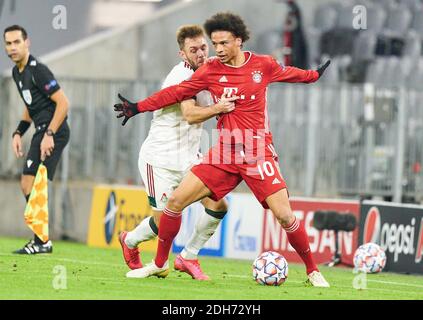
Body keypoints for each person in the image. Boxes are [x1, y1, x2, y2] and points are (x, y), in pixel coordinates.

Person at [114, 12, 331, 287]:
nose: (217, 50)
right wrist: (138, 107)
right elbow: (177, 93)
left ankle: (313, 271)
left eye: (222, 44)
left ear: (238, 41)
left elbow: (291, 74)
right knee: (175, 203)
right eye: (214, 44)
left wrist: (313, 75)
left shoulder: (263, 65)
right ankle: (159, 264)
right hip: (224, 152)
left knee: (285, 215)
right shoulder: (211, 70)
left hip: (256, 151)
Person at [119, 25, 236, 280]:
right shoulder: (181, 77)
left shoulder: (211, 69)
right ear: (182, 54)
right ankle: (129, 241)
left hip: (189, 159)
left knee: (218, 204)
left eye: (203, 47)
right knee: (165, 224)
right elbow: (191, 115)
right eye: (193, 50)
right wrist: (220, 108)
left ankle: (188, 256)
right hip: (160, 160)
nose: (201, 54)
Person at [4, 25, 70, 254]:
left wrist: (49, 135)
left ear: (27, 43)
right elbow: (30, 106)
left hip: (54, 131)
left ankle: (42, 241)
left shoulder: (38, 70)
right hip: (41, 131)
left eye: (16, 42)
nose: (12, 48)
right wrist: (18, 132)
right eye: (8, 43)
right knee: (27, 183)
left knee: (35, 183)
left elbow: (63, 103)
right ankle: (41, 240)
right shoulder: (16, 72)